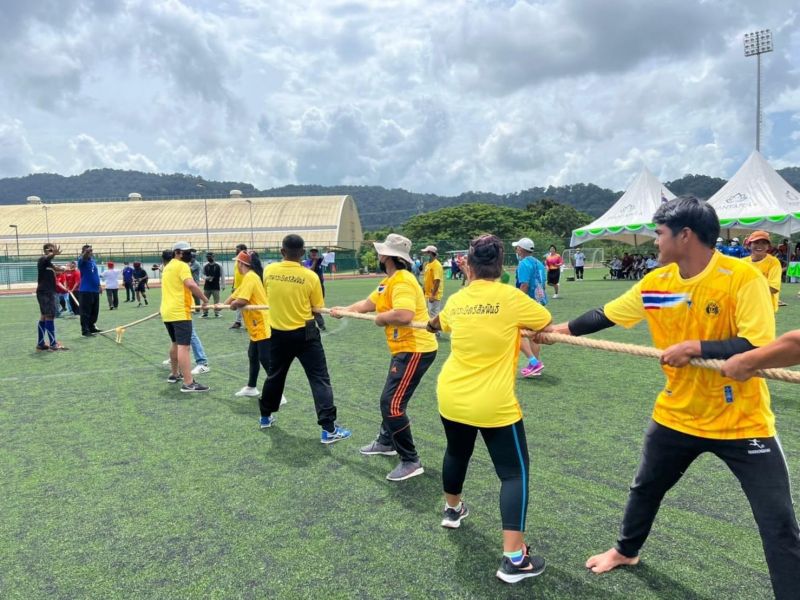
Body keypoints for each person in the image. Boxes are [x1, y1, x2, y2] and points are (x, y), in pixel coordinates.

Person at [541, 196, 799, 599]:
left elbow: (755, 343)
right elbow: (607, 313)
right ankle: (625, 551)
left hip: (742, 420)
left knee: (779, 521)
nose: (653, 242)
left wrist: (697, 347)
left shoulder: (739, 277)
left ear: (685, 235)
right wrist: (561, 330)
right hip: (677, 413)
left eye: (659, 233)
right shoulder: (658, 282)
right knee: (646, 487)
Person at [428, 234, 552, 584]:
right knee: (514, 474)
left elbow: (441, 322)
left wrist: (435, 321)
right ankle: (515, 559)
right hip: (493, 404)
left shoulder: (458, 299)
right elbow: (543, 319)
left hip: (452, 395)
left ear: (468, 263)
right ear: (501, 265)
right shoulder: (511, 298)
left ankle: (453, 511)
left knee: (457, 452)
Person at [332, 234, 438, 481]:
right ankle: (386, 441)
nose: (378, 255)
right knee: (391, 398)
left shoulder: (402, 281)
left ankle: (410, 460)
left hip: (415, 349)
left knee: (391, 403)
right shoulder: (388, 282)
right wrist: (344, 310)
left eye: (380, 252)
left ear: (386, 256)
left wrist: (382, 318)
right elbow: (368, 303)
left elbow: (403, 313)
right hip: (403, 348)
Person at [259, 234, 351, 443]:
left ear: (282, 251)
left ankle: (265, 417)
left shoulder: (269, 270)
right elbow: (317, 306)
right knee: (319, 379)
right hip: (306, 334)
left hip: (278, 333)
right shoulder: (310, 276)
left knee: (275, 376)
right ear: (302, 253)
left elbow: (268, 293)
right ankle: (328, 429)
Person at [226, 251, 286, 403]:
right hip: (255, 324)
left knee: (265, 359)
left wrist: (233, 306)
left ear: (241, 264)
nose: (236, 266)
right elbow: (235, 295)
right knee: (253, 355)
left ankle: (278, 394)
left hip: (261, 323)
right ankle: (251, 387)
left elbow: (241, 300)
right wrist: (219, 306)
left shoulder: (250, 277)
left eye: (236, 263)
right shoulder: (249, 277)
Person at [160, 242, 209, 392]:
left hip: (167, 312)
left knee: (175, 343)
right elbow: (191, 284)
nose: (190, 255)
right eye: (187, 252)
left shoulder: (167, 267)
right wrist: (205, 300)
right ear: (178, 252)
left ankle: (175, 374)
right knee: (184, 347)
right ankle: (188, 383)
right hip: (179, 312)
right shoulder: (182, 266)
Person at [512, 238, 547, 378]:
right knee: (533, 336)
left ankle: (534, 362)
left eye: (517, 248)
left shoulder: (523, 264)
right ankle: (535, 365)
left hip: (527, 303)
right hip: (539, 302)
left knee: (516, 331)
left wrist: (517, 303)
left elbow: (524, 285)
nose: (516, 250)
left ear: (521, 249)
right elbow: (542, 283)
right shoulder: (539, 263)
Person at [36, 243, 68, 351]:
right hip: (46, 292)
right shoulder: (42, 260)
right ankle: (53, 344)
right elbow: (48, 257)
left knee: (44, 316)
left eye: (52, 250)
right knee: (50, 316)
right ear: (45, 251)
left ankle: (41, 344)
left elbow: (57, 269)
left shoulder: (49, 264)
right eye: (49, 250)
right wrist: (53, 254)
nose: (51, 252)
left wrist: (64, 269)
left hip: (47, 292)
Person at [743, 231, 782, 312]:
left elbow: (774, 288)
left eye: (764, 243)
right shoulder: (743, 263)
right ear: (749, 245)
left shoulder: (773, 262)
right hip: (746, 307)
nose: (759, 246)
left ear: (768, 246)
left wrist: (747, 287)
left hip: (765, 308)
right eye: (756, 242)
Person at [77, 244, 101, 336]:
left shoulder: (93, 261)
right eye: (88, 251)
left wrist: (99, 285)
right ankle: (85, 330)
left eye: (91, 251)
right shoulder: (81, 261)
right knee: (85, 311)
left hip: (95, 290)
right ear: (83, 252)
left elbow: (95, 274)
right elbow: (83, 257)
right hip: (85, 290)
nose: (90, 252)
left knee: (95, 311)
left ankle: (91, 327)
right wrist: (85, 252)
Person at [421, 245, 444, 332]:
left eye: (426, 253)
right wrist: (423, 290)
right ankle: (434, 331)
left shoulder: (436, 265)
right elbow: (426, 279)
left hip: (434, 294)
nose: (424, 254)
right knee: (430, 313)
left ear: (431, 253)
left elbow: (437, 281)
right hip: (428, 294)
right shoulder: (427, 264)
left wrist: (433, 295)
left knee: (434, 314)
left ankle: (436, 332)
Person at [304, 248, 327, 331]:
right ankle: (319, 324)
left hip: (320, 287)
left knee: (315, 306)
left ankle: (319, 324)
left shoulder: (320, 260)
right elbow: (310, 271)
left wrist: (327, 252)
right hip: (310, 287)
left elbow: (328, 258)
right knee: (309, 306)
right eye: (312, 252)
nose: (314, 253)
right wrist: (314, 261)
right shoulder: (307, 262)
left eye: (315, 252)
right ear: (309, 253)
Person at [230, 243, 247, 329]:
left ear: (243, 250)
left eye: (238, 249)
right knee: (238, 305)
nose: (236, 251)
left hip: (245, 286)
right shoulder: (237, 261)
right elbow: (236, 274)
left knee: (246, 305)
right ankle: (238, 322)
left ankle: (247, 323)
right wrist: (233, 286)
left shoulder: (246, 261)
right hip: (237, 287)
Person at [202, 252, 223, 318]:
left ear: (214, 257)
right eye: (208, 257)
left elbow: (222, 275)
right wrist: (206, 278)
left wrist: (223, 285)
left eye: (210, 257)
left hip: (216, 286)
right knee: (205, 300)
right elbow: (202, 274)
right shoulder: (205, 265)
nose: (209, 258)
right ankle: (205, 313)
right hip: (207, 286)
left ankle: (217, 313)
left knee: (216, 300)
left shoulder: (219, 265)